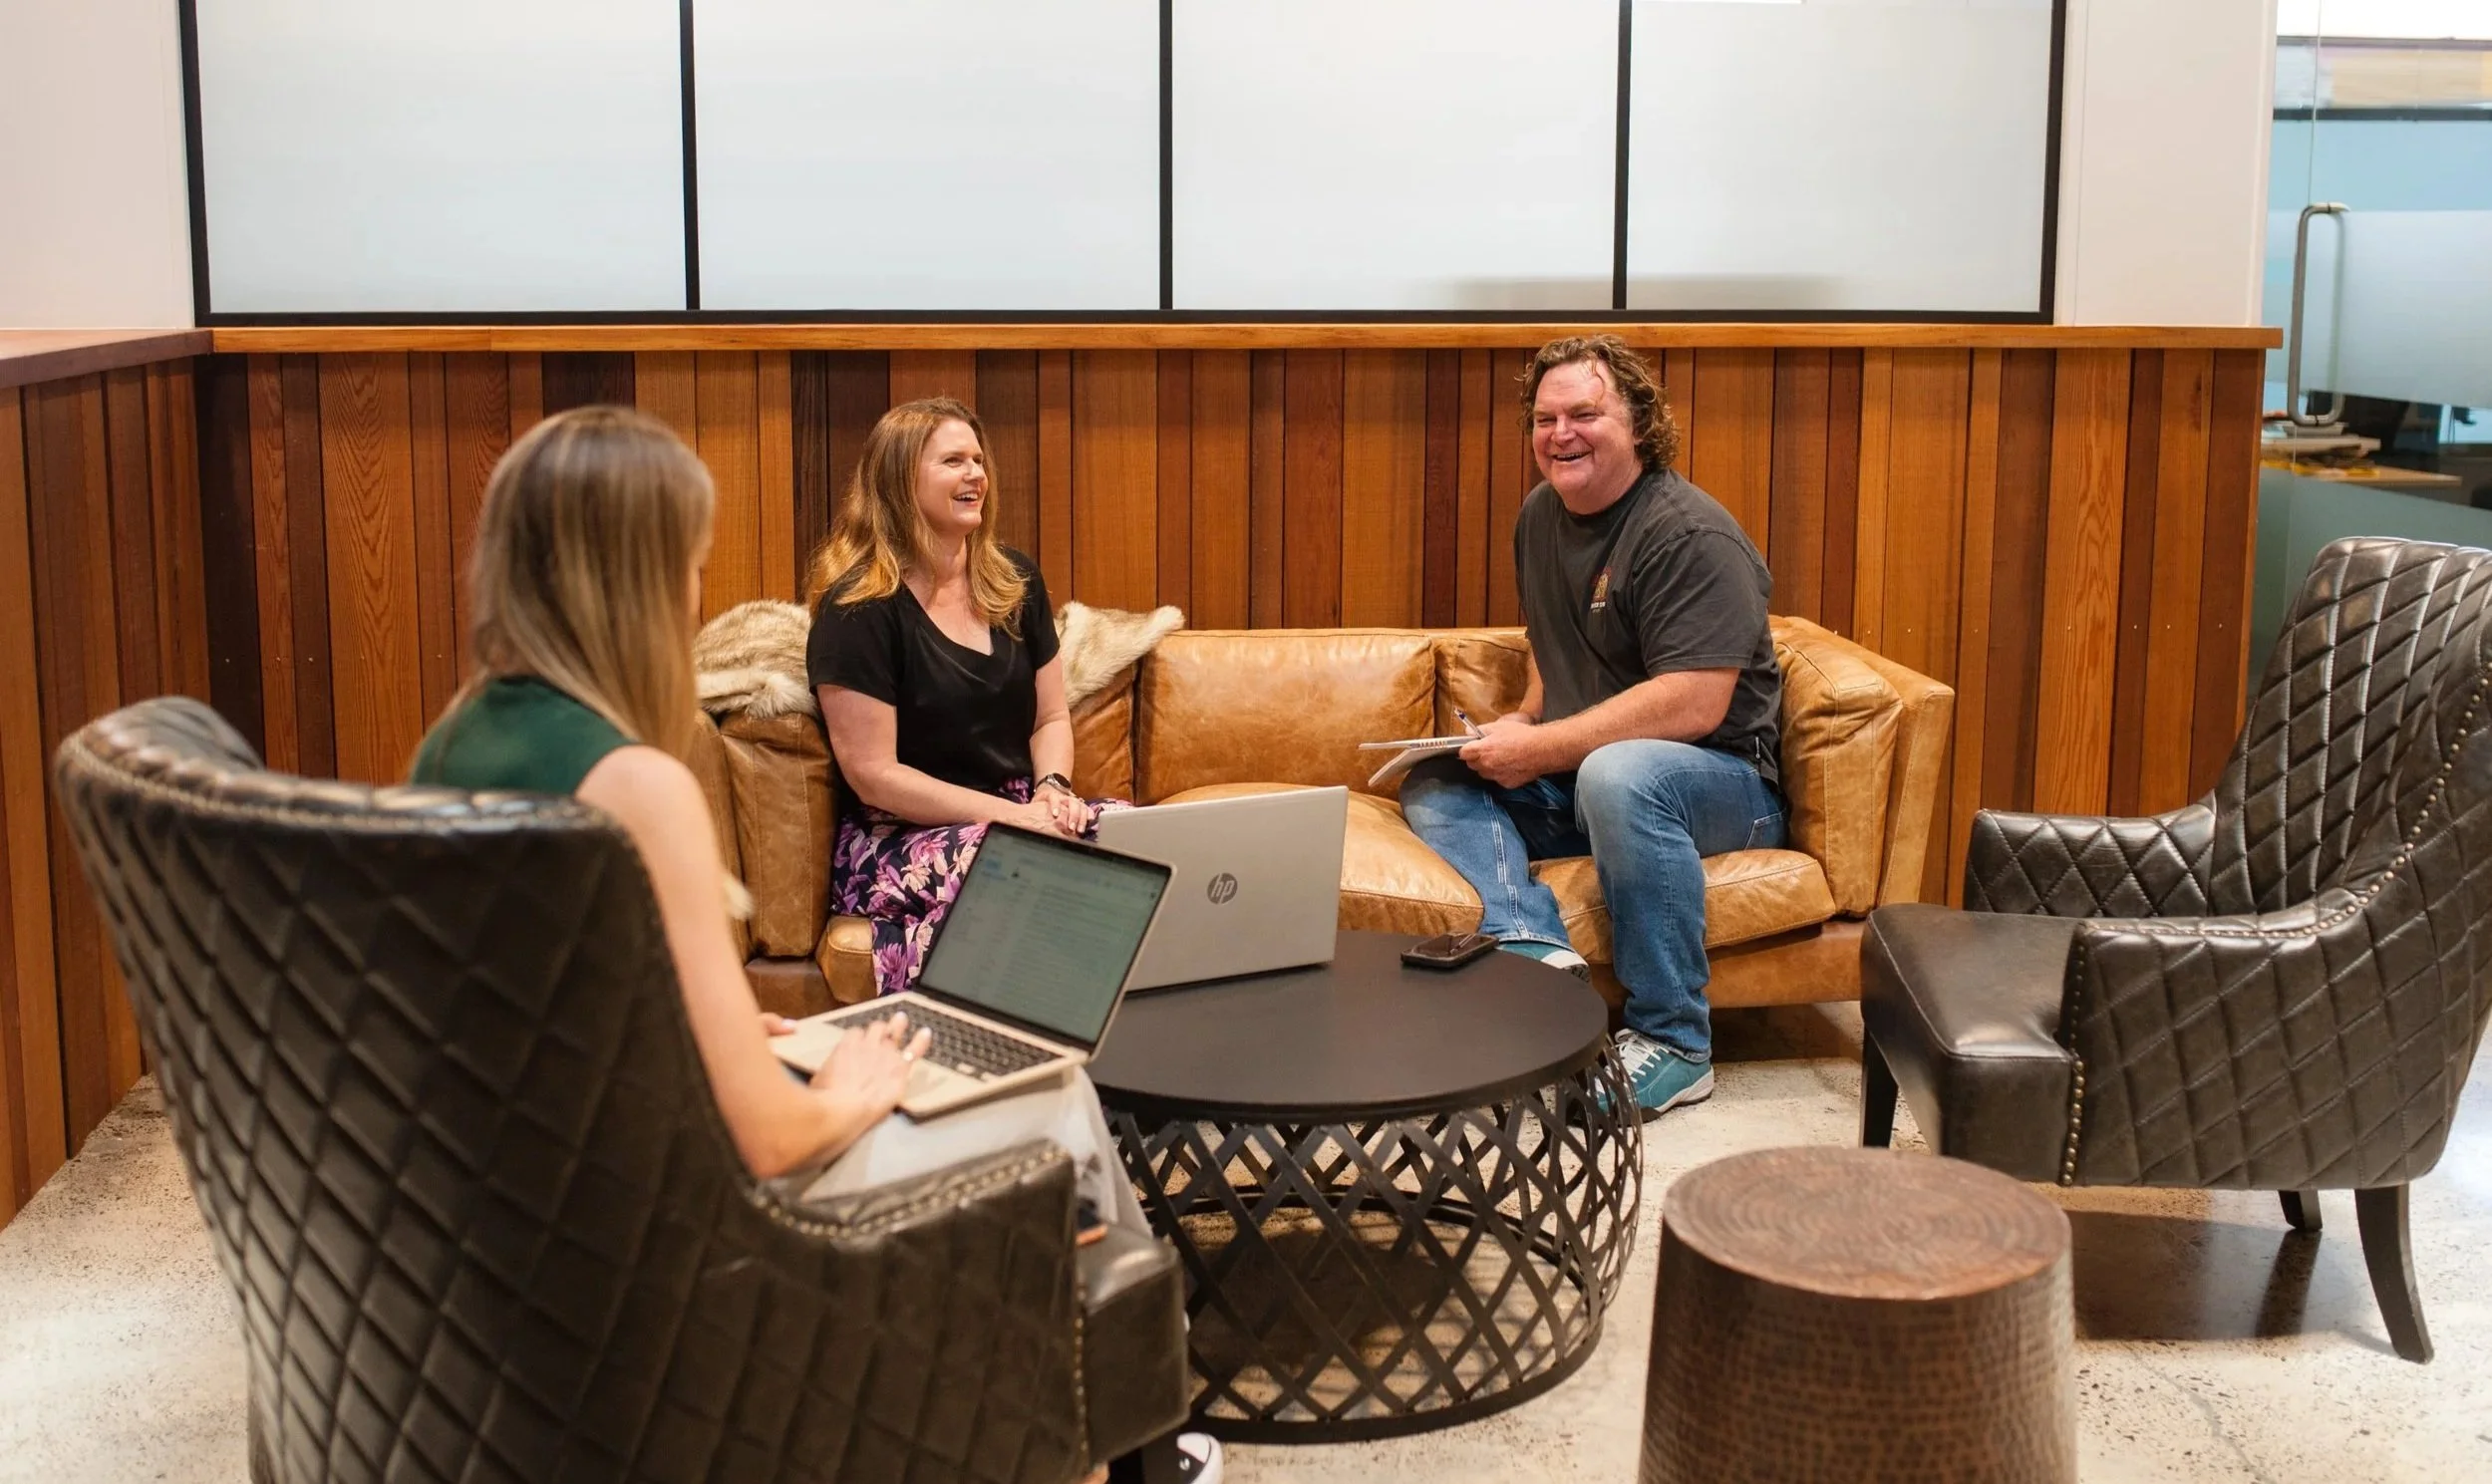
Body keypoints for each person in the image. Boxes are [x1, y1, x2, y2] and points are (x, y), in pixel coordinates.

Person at [407, 405, 1156, 1241]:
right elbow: (770, 1137)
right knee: (1054, 1099)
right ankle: (1123, 1333)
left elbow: (551, 1006)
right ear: (637, 582)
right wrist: (855, 1086)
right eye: (691, 565)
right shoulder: (637, 785)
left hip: (518, 1190)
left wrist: (700, 1035)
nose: (696, 598)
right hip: (662, 1216)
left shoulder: (449, 743)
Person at [1399, 336, 1785, 1121]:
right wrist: (1523, 721)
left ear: (1639, 423)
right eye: (1545, 418)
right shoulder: (1540, 517)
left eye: (1584, 413)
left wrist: (1543, 748)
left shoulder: (1689, 535)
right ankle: (1531, 945)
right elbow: (1555, 641)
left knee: (1622, 773)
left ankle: (1677, 1042)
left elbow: (1695, 702)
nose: (1561, 433)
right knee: (1439, 772)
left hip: (1721, 781)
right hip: (1598, 779)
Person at [805, 397, 1122, 997]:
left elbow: (1050, 716)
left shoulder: (1015, 583)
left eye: (978, 460)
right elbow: (874, 775)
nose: (976, 474)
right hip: (896, 836)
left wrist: (1052, 792)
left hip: (1019, 811)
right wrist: (1013, 819)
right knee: (1016, 863)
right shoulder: (858, 611)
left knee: (1140, 843)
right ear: (901, 480)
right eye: (953, 461)